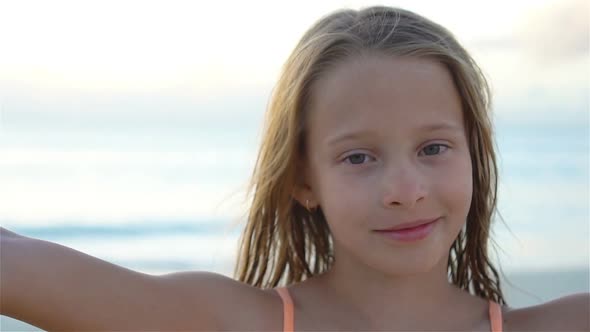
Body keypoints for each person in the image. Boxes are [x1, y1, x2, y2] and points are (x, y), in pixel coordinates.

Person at [1, 5, 588, 332]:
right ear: (304, 180)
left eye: (434, 148)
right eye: (359, 157)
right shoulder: (233, 324)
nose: (405, 192)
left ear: (473, 154)